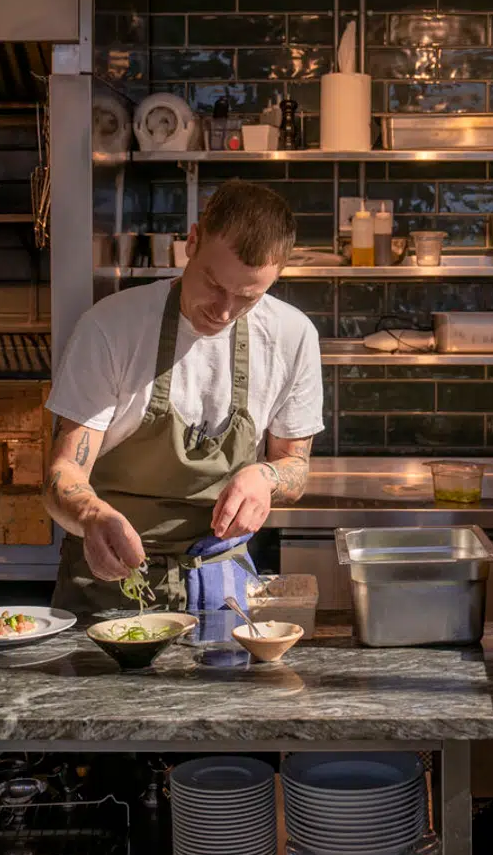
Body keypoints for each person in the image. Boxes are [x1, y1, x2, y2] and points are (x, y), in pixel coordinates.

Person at [43, 180, 323, 614]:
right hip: (107, 585)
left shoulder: (292, 336)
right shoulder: (111, 328)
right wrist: (93, 517)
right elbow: (62, 474)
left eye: (248, 297)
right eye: (213, 283)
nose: (223, 311)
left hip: (220, 585)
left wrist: (266, 477)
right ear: (191, 242)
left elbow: (296, 467)